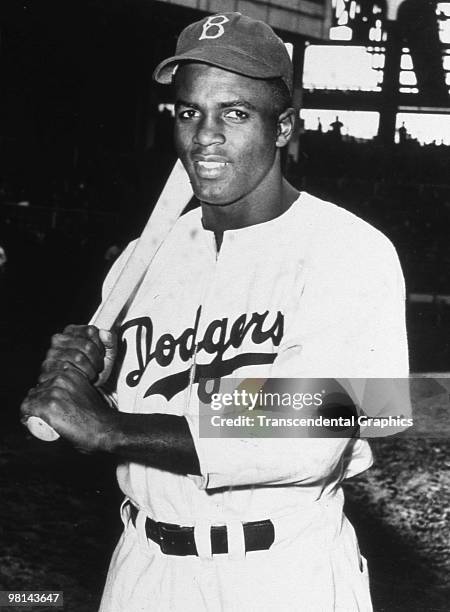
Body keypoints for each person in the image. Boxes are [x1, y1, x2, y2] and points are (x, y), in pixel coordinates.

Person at [20, 12, 408, 612]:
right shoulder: (144, 260)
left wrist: (113, 427)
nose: (204, 136)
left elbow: (314, 436)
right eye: (188, 112)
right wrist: (93, 385)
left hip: (281, 573)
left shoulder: (353, 250)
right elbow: (139, 416)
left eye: (234, 113)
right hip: (142, 566)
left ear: (283, 128)